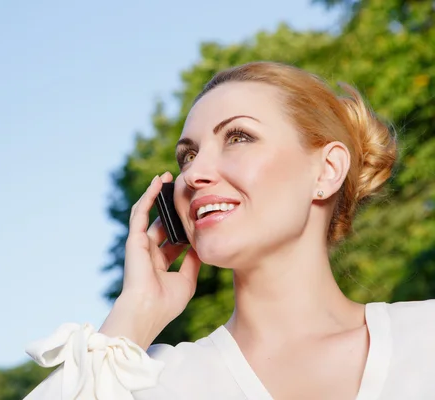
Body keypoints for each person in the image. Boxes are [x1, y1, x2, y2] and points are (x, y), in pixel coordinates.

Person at [22, 61, 435, 400]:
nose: (194, 174)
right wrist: (132, 315)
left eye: (238, 137)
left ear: (327, 170)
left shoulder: (425, 338)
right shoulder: (153, 382)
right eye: (187, 157)